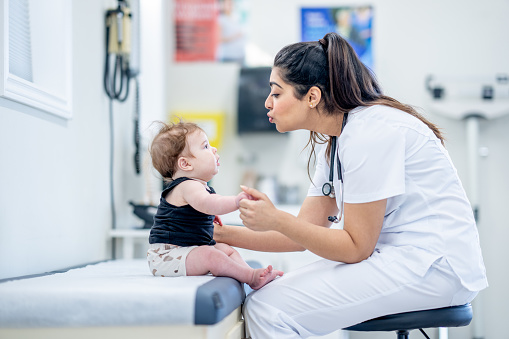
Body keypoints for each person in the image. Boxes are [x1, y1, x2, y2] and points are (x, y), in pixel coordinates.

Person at [213, 32, 488, 338]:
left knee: (268, 307)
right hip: (402, 259)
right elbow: (301, 235)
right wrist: (215, 234)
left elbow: (356, 248)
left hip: (434, 267)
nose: (268, 103)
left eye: (277, 93)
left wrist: (276, 219)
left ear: (312, 97)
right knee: (265, 301)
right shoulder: (336, 141)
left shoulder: (368, 132)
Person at [147, 121, 283, 290]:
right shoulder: (187, 186)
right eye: (205, 146)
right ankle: (250, 277)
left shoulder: (197, 186)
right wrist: (236, 201)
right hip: (166, 256)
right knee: (210, 255)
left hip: (187, 248)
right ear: (186, 164)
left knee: (226, 250)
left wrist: (210, 216)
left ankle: (249, 273)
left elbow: (203, 209)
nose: (214, 149)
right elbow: (209, 203)